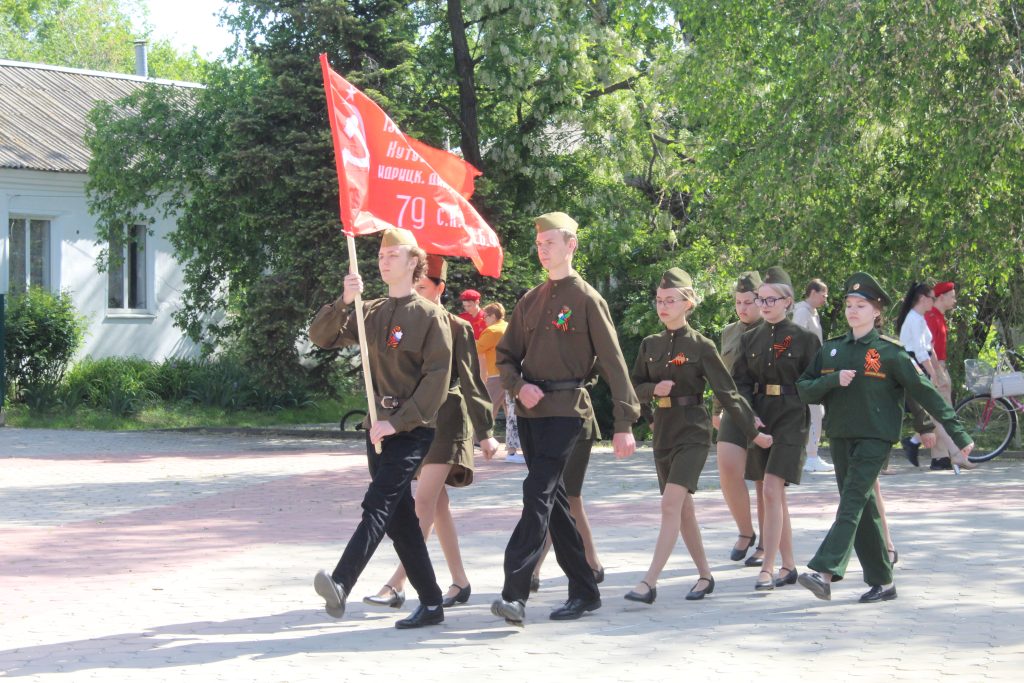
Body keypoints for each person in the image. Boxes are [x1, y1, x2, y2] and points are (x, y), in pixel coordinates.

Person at [490, 211, 640, 626]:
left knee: (536, 493)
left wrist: (624, 423)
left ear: (571, 245)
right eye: (539, 244)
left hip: (569, 412)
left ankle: (514, 594)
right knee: (554, 505)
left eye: (551, 243)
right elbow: (505, 357)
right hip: (532, 412)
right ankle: (586, 590)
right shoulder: (530, 300)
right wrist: (519, 386)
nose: (543, 250)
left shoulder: (588, 299)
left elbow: (613, 363)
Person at [797, 272, 974, 603]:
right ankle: (883, 580)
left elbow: (926, 393)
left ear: (876, 311)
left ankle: (824, 573)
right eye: (849, 304)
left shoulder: (890, 352)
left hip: (875, 439)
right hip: (840, 436)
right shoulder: (832, 350)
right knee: (862, 507)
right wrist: (832, 381)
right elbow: (803, 389)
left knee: (851, 502)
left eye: (861, 305)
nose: (853, 310)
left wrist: (957, 431)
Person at [307, 228, 452, 629]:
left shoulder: (430, 316)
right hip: (377, 428)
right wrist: (343, 302)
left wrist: (397, 422)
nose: (384, 260)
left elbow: (436, 381)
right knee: (400, 519)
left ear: (413, 263)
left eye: (394, 254)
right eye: (382, 254)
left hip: (411, 429)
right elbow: (321, 337)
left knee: (378, 502)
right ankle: (433, 603)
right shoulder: (369, 310)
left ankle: (341, 582)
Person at [626, 268, 772, 605]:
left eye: (670, 300)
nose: (663, 306)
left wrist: (754, 431)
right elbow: (633, 388)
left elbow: (729, 393)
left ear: (688, 303)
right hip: (663, 431)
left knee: (670, 505)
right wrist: (651, 396)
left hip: (692, 431)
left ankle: (649, 582)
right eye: (659, 300)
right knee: (684, 511)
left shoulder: (701, 346)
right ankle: (705, 575)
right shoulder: (650, 344)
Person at [363, 255, 500, 612]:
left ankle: (397, 583)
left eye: (423, 287)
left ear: (439, 288)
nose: (417, 293)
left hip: (449, 422)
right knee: (437, 505)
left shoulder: (455, 326)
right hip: (416, 424)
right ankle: (460, 580)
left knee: (422, 502)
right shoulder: (408, 322)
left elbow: (472, 382)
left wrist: (485, 431)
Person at [732, 266, 821, 591]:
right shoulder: (750, 338)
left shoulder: (804, 339)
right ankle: (788, 565)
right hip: (761, 415)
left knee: (771, 489)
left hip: (792, 416)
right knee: (774, 494)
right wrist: (748, 415)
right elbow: (739, 383)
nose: (764, 304)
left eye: (771, 299)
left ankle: (767, 567)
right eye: (760, 299)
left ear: (787, 301)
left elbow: (819, 381)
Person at [713, 271, 766, 567]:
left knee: (761, 479)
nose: (743, 308)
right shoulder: (730, 332)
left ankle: (766, 544)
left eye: (749, 302)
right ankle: (746, 531)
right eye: (738, 302)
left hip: (763, 408)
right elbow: (722, 373)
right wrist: (715, 409)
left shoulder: (773, 329)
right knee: (727, 468)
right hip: (734, 406)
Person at [531, 387, 605, 591]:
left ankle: (535, 567)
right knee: (567, 499)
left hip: (575, 420)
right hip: (546, 424)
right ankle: (591, 562)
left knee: (564, 497)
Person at [895, 282, 966, 471]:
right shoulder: (916, 319)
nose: (933, 302)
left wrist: (935, 369)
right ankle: (953, 454)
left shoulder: (919, 318)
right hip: (914, 366)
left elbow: (930, 346)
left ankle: (925, 446)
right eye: (932, 298)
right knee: (936, 412)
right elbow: (920, 351)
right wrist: (933, 372)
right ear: (923, 299)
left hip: (919, 366)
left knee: (934, 413)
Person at [925, 281, 968, 469]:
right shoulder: (931, 317)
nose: (954, 300)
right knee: (942, 413)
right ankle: (916, 442)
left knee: (942, 412)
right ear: (941, 297)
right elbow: (928, 348)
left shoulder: (939, 316)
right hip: (936, 367)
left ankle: (940, 456)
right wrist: (937, 372)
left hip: (941, 365)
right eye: (951, 296)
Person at [793, 278, 834, 474]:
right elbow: (795, 339)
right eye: (823, 294)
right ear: (813, 292)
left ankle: (810, 454)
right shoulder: (802, 312)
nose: (825, 299)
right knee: (815, 412)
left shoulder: (812, 313)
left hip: (814, 368)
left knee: (817, 412)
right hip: (806, 370)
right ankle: (810, 456)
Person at [476, 302, 523, 462]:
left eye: (486, 316)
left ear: (493, 316)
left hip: (495, 375)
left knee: (488, 409)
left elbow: (476, 348)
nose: (484, 320)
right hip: (511, 374)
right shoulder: (507, 327)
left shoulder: (492, 331)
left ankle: (476, 440)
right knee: (511, 412)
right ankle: (512, 448)